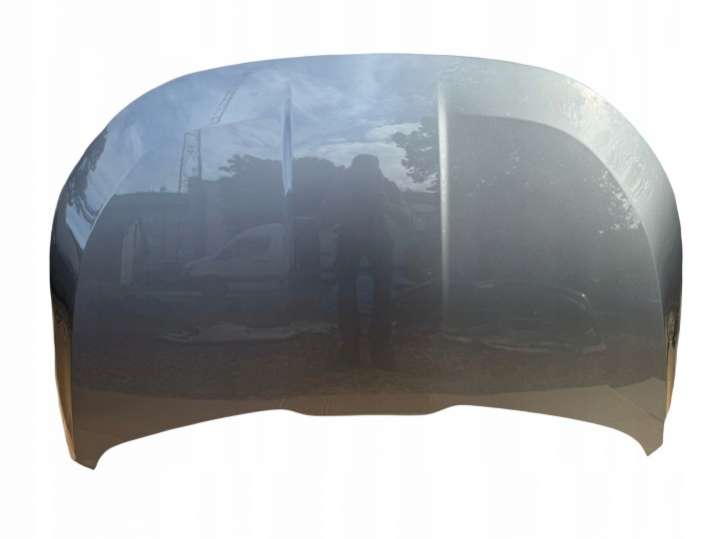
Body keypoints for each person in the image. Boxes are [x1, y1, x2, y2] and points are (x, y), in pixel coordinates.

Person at [334, 154, 402, 369]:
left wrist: (385, 204)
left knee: (352, 292)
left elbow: (324, 215)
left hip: (362, 238)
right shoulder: (382, 185)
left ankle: (352, 350)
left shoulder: (344, 185)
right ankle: (375, 350)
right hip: (369, 238)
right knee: (380, 292)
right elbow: (408, 217)